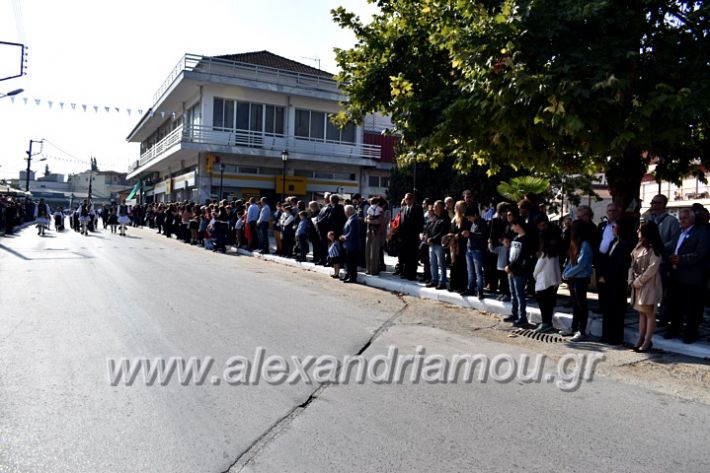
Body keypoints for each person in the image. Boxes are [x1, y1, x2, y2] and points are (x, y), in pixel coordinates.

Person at [665, 208, 710, 343]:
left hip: (692, 276)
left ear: (692, 219)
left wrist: (682, 259)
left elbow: (701, 253)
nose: (681, 220)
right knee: (675, 305)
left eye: (684, 218)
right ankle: (674, 329)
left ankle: (690, 333)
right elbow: (672, 247)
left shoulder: (702, 232)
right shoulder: (679, 232)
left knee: (692, 308)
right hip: (676, 274)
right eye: (680, 218)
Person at [628, 221, 664, 352]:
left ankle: (647, 342)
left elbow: (652, 269)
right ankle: (640, 339)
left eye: (640, 230)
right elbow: (632, 264)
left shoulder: (654, 249)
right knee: (641, 313)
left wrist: (638, 281)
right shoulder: (639, 246)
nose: (637, 232)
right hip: (638, 283)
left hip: (649, 285)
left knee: (649, 313)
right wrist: (631, 279)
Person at [597, 218, 633, 345]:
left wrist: (607, 276)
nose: (612, 229)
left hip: (617, 282)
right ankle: (606, 334)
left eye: (614, 227)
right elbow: (608, 260)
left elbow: (620, 264)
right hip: (608, 281)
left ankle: (616, 337)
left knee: (617, 310)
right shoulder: (613, 242)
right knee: (607, 309)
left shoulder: (625, 245)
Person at [562, 220, 594, 341]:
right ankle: (573, 328)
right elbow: (571, 261)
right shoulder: (575, 243)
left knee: (581, 305)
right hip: (573, 278)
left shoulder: (585, 244)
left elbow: (581, 264)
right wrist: (565, 272)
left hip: (581, 278)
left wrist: (568, 273)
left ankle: (582, 331)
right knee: (575, 305)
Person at [533, 217, 562, 334]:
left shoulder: (545, 254)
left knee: (543, 304)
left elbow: (537, 270)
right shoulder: (555, 253)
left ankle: (546, 323)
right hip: (552, 281)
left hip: (543, 282)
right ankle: (548, 322)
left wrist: (534, 275)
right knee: (549, 303)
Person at [504, 219, 533, 327]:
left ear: (518, 225)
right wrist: (509, 267)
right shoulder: (516, 238)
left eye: (513, 225)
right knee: (513, 294)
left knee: (520, 295)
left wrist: (511, 267)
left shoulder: (526, 239)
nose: (512, 228)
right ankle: (514, 314)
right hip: (511, 270)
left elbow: (522, 257)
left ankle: (522, 317)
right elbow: (510, 254)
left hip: (520, 271)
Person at [424, 200, 451, 290]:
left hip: (439, 245)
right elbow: (428, 229)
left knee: (441, 264)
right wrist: (427, 237)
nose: (433, 208)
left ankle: (442, 281)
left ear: (441, 208)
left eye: (436, 207)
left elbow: (443, 232)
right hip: (431, 244)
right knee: (433, 263)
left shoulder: (446, 219)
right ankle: (434, 280)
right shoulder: (434, 218)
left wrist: (432, 239)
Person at [463, 204, 487, 297]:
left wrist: (470, 234)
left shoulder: (482, 222)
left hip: (478, 250)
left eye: (469, 217)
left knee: (478, 272)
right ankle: (470, 288)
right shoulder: (473, 223)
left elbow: (483, 236)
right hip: (469, 249)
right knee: (470, 271)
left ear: (475, 215)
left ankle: (480, 290)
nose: (469, 219)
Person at [447, 201, 469, 294]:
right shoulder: (454, 219)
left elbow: (465, 231)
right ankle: (453, 285)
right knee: (453, 264)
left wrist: (458, 235)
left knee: (461, 266)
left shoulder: (465, 219)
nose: (455, 207)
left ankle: (462, 286)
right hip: (453, 245)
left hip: (461, 245)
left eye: (457, 206)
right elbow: (451, 229)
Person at [340, 205, 361, 283]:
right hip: (349, 244)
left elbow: (352, 233)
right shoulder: (351, 219)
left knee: (352, 262)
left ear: (348, 211)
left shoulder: (354, 220)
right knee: (349, 262)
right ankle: (348, 275)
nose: (345, 213)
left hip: (353, 244)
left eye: (345, 211)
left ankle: (352, 277)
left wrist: (344, 237)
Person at [365, 196, 384, 275]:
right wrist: (368, 220)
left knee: (374, 252)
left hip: (375, 233)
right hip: (369, 232)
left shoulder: (381, 211)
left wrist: (369, 220)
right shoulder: (380, 209)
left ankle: (373, 270)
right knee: (368, 251)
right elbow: (365, 219)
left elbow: (379, 221)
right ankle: (369, 269)